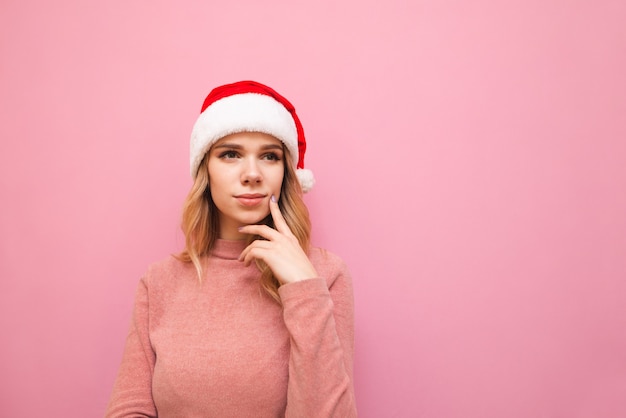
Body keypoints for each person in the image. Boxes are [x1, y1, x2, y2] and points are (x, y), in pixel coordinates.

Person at [105, 80, 357, 417]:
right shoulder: (160, 281)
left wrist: (303, 290)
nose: (252, 174)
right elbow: (129, 409)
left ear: (286, 172)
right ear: (205, 169)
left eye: (270, 156)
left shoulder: (325, 275)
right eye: (231, 154)